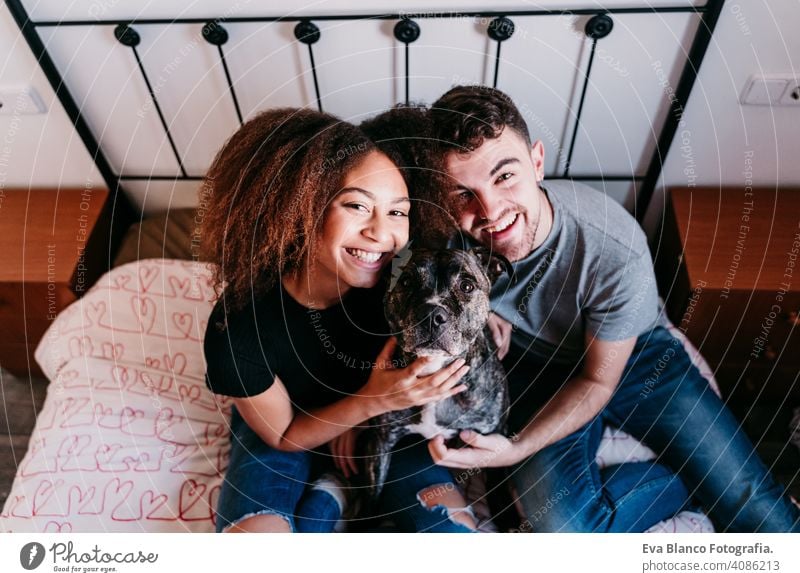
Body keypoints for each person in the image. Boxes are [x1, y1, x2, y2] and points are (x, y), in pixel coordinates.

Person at [423, 85, 800, 532]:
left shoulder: (612, 247)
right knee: (564, 530)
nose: (490, 211)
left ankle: (705, 477)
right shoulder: (440, 236)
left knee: (754, 504)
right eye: (464, 194)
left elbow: (598, 380)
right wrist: (478, 309)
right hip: (532, 370)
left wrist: (518, 449)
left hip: (636, 357)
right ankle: (680, 480)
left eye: (505, 177)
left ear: (537, 162)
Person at [201, 107, 477, 533]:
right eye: (357, 206)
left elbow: (468, 281)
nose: (380, 233)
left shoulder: (408, 278)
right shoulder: (238, 327)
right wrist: (369, 401)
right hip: (292, 419)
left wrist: (494, 317)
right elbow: (283, 434)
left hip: (391, 424)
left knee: (453, 535)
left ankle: (330, 500)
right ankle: (330, 497)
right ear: (299, 209)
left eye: (398, 212)